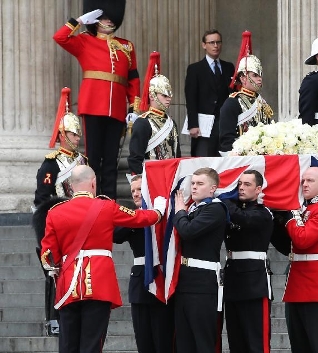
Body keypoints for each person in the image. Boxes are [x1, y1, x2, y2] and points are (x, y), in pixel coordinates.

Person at [40, 165, 166, 353]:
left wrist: (57, 267)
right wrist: (159, 211)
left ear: (71, 186)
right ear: (93, 183)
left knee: (67, 344)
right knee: (92, 343)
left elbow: (48, 254)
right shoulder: (106, 206)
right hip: (99, 282)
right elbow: (139, 218)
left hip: (68, 285)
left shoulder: (55, 212)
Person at [53, 0, 140, 198]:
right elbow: (60, 37)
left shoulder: (126, 46)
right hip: (92, 106)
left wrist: (134, 108)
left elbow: (133, 78)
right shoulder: (84, 41)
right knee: (94, 159)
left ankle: (109, 201)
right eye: (103, 17)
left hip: (116, 108)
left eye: (110, 17)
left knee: (111, 161)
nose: (107, 20)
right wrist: (79, 21)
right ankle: (92, 198)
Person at [33, 87, 87, 337]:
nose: (78, 138)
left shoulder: (83, 161)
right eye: (74, 134)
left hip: (81, 224)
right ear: (64, 135)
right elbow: (42, 199)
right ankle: (54, 318)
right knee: (54, 272)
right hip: (57, 223)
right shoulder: (51, 163)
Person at [113, 175, 175, 352]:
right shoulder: (132, 216)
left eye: (139, 189)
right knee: (144, 339)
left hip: (163, 277)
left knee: (164, 338)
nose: (135, 194)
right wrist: (136, 215)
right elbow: (116, 236)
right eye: (133, 191)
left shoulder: (164, 212)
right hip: (141, 281)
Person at [283, 166, 318, 353]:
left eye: (310, 181)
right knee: (299, 346)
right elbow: (288, 244)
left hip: (317, 287)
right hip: (297, 284)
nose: (304, 184)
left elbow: (303, 239)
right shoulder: (304, 209)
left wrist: (290, 217)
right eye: (303, 180)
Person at [173, 168, 227, 353]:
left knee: (202, 341)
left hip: (203, 284)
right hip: (186, 281)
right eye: (193, 183)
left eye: (200, 184)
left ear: (212, 189)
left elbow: (188, 231)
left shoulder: (215, 209)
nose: (194, 187)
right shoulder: (195, 208)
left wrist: (179, 212)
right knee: (184, 342)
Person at [222, 170, 273, 353]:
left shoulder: (263, 213)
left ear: (258, 189)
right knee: (237, 342)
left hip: (254, 283)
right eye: (239, 184)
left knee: (256, 342)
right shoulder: (232, 208)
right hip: (233, 279)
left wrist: (223, 196)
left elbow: (243, 219)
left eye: (247, 184)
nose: (241, 188)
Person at [128, 52, 181, 175]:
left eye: (169, 95)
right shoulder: (143, 122)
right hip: (151, 177)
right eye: (164, 95)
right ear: (152, 96)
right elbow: (135, 159)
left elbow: (176, 155)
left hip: (170, 176)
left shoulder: (171, 123)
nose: (169, 99)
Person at [185, 29, 235, 157]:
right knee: (204, 158)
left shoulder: (229, 67)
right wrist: (193, 124)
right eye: (212, 42)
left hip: (224, 123)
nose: (215, 46)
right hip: (204, 125)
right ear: (204, 45)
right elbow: (191, 99)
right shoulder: (195, 69)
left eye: (218, 42)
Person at [219, 55, 274, 155]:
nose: (260, 79)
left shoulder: (262, 102)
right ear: (243, 78)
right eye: (255, 75)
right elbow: (226, 139)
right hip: (241, 157)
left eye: (260, 75)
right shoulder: (232, 102)